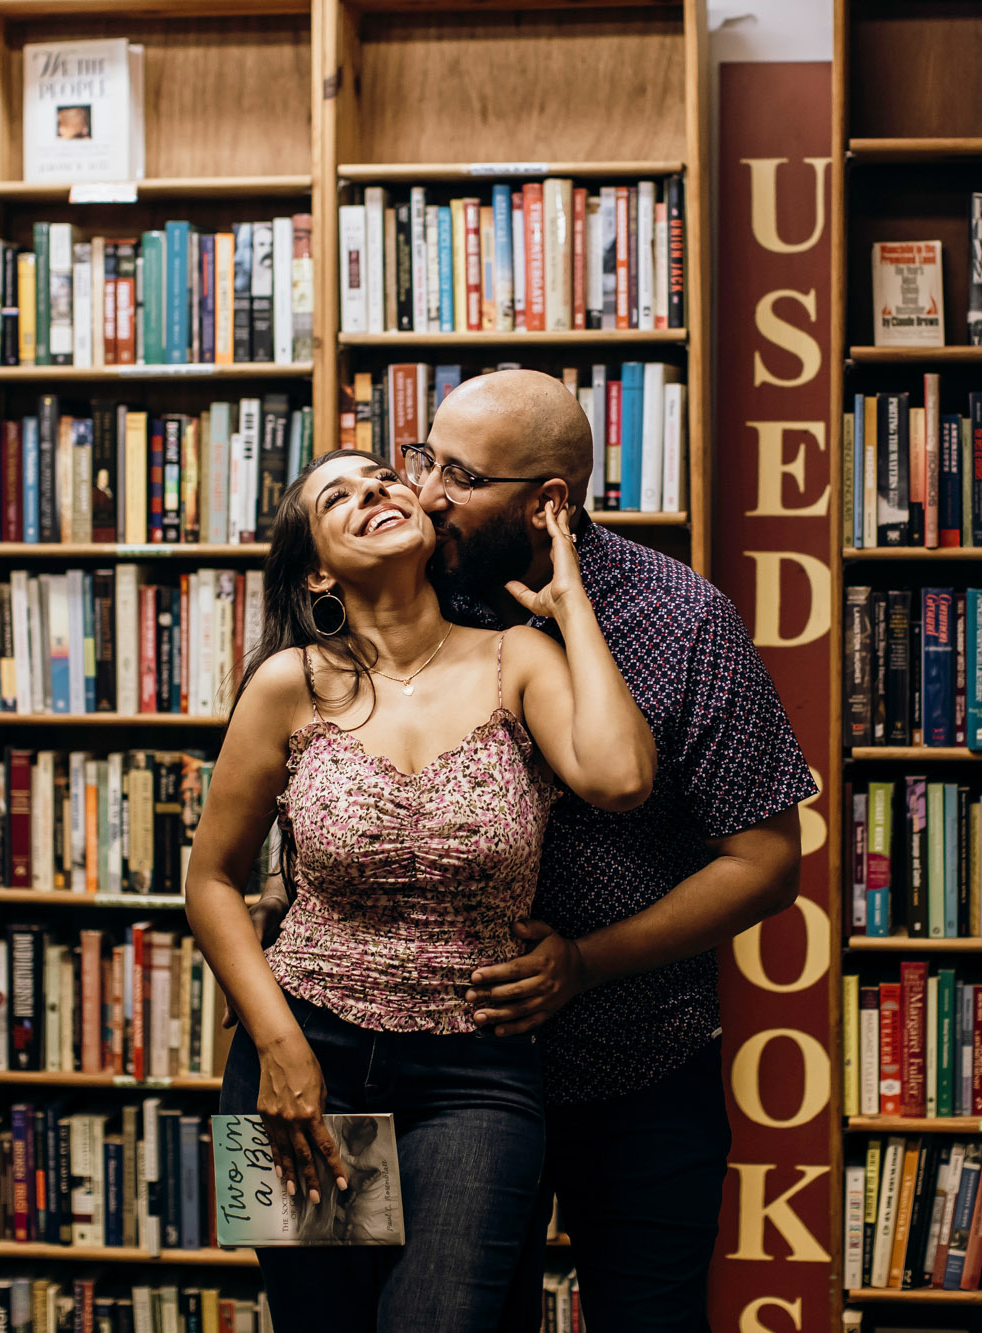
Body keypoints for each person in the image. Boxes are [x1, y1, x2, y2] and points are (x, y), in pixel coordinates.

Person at [183, 448, 656, 1333]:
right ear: (318, 565)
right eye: (341, 498)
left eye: (382, 480)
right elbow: (209, 880)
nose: (375, 495)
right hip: (304, 1054)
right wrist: (279, 1048)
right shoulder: (292, 682)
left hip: (473, 1071)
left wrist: (571, 602)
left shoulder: (519, 657)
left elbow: (621, 775)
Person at [418, 369, 816, 1329]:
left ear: (549, 499)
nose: (427, 495)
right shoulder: (405, 600)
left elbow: (767, 861)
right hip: (435, 1070)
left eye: (460, 476)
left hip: (639, 1066)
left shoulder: (682, 619)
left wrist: (585, 964)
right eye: (423, 459)